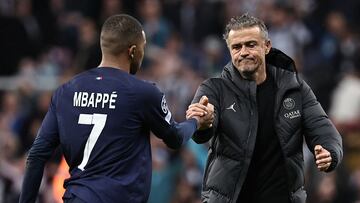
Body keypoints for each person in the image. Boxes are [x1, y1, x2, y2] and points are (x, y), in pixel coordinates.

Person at [19, 14, 214, 203]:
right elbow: (175, 138)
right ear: (132, 51)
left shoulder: (66, 91)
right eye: (143, 48)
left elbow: (36, 155)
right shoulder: (142, 92)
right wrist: (196, 121)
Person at [186, 13, 343, 203]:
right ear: (229, 51)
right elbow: (201, 130)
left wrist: (329, 152)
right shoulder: (213, 89)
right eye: (236, 47)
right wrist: (203, 123)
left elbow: (324, 130)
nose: (243, 52)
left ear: (267, 46)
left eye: (251, 44)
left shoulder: (294, 88)